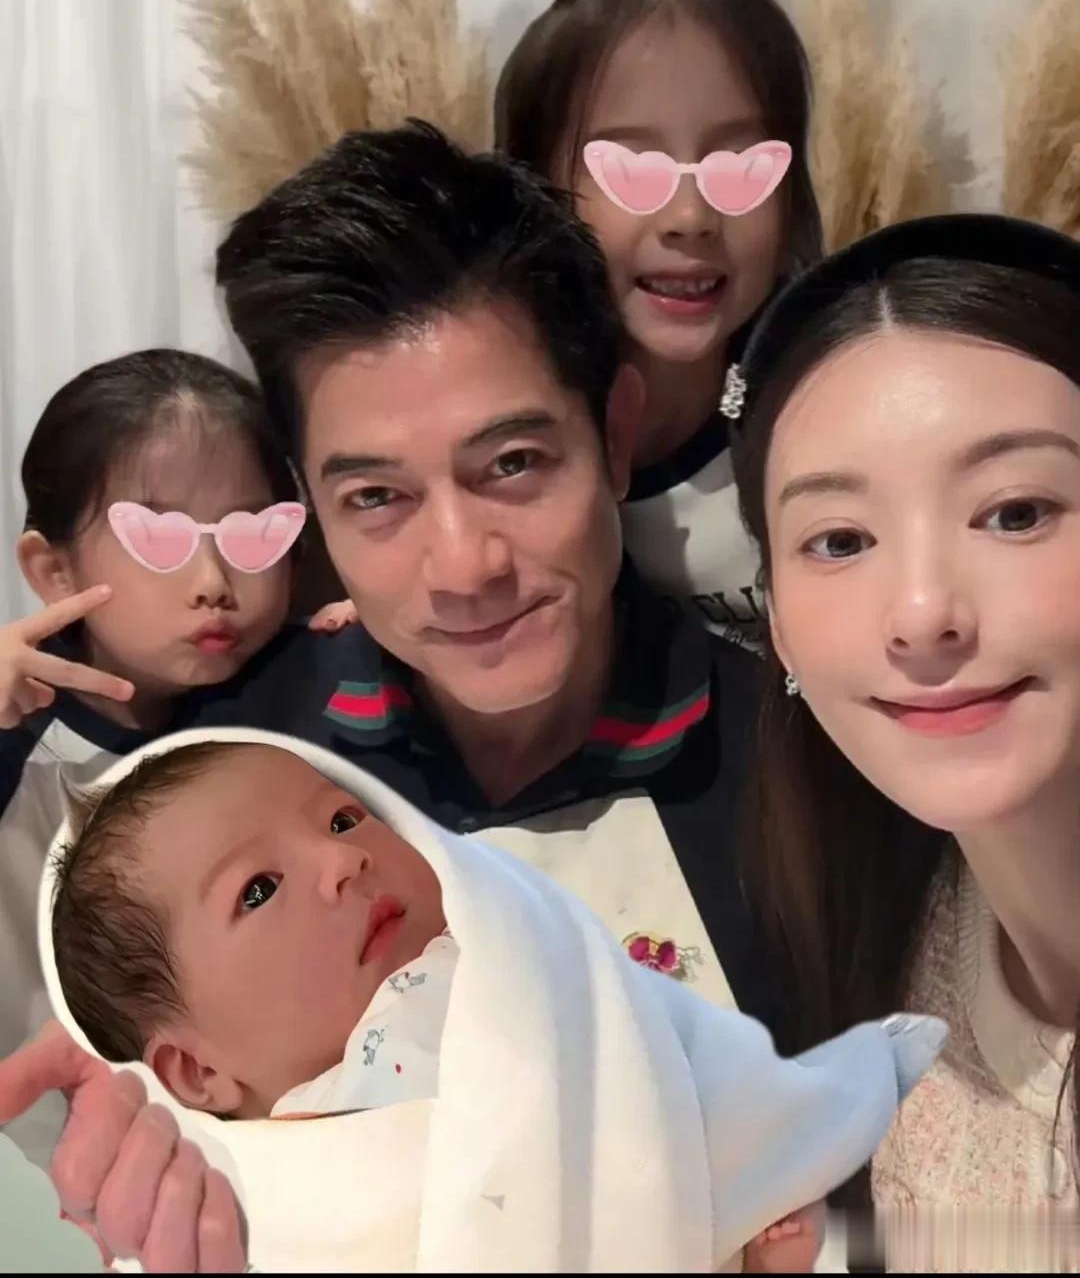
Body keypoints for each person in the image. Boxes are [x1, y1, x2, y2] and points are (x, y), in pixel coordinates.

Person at [194, 121, 772, 1028]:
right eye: (377, 497)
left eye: (512, 464)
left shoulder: (796, 769)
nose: (464, 568)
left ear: (615, 436)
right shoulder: (237, 764)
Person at [41, 735, 952, 1272]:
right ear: (196, 1072)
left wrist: (749, 1144)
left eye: (343, 818)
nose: (343, 861)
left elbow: (646, 1050)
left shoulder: (510, 958)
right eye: (259, 889)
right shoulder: (243, 1200)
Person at [731, 214, 1080, 1266]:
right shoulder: (890, 927)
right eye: (840, 539)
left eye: (1015, 512)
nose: (923, 612)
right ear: (776, 621)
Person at [0, 348, 301, 1166]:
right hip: (66, 1170)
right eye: (157, 538)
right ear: (53, 569)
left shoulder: (302, 696)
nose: (213, 580)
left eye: (251, 533)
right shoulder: (19, 748)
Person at [492, 0, 822, 647]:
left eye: (738, 164)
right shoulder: (494, 430)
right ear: (534, 190)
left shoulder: (828, 407)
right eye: (634, 169)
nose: (691, 216)